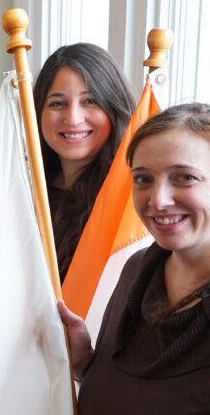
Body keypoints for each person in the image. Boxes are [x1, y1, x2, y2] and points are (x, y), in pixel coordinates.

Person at [59, 103, 210, 415]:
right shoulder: (138, 270)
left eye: (185, 178)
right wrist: (86, 366)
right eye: (143, 179)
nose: (158, 200)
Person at [33, 43, 134, 280]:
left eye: (90, 101)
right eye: (58, 103)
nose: (73, 119)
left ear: (113, 108)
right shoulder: (26, 191)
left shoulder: (129, 197)